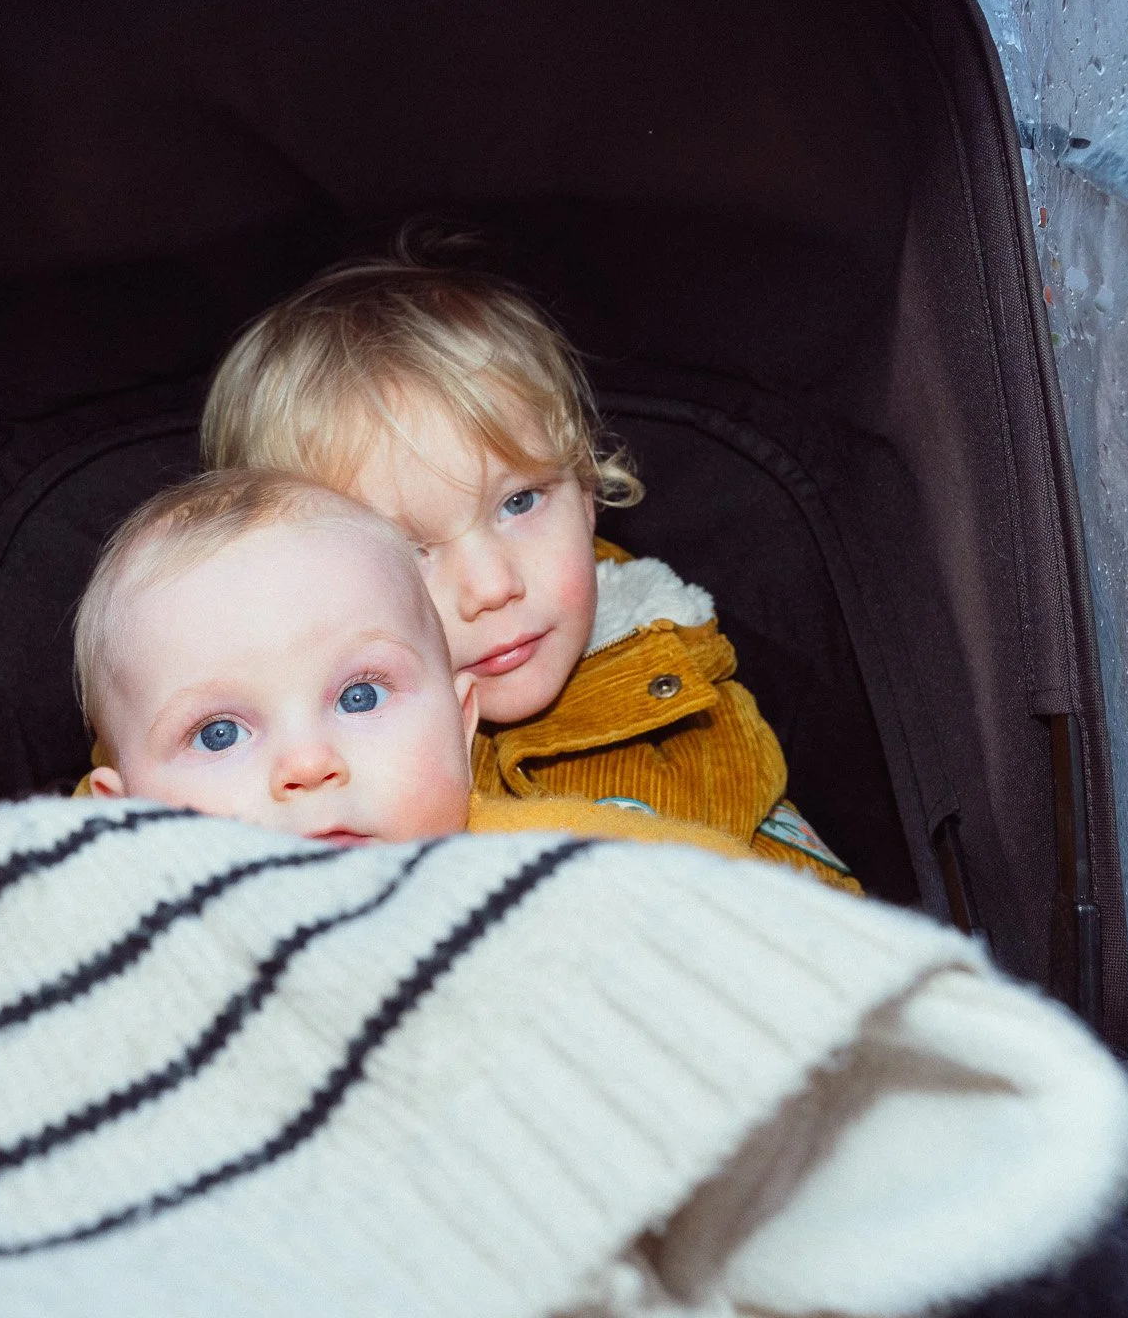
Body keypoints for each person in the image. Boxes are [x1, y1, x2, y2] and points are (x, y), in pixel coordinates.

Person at [199, 234, 859, 890]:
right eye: (409, 550)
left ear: (587, 492)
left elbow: (815, 920)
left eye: (519, 501)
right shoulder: (285, 757)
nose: (492, 586)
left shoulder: (679, 689)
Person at [76, 468, 749, 857]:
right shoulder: (92, 932)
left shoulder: (557, 857)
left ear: (460, 723)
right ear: (121, 813)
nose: (309, 765)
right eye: (218, 732)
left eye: (361, 696)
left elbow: (756, 911)